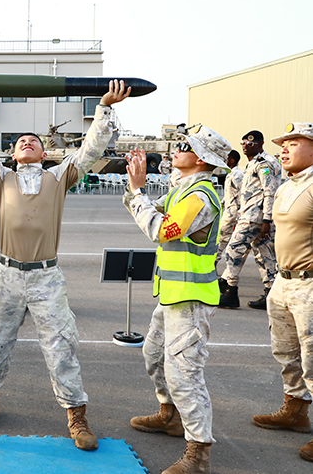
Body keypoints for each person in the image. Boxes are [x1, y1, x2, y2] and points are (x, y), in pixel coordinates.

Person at [0, 78, 130, 451]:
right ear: (13, 154)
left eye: (33, 141)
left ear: (45, 152)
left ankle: (76, 416)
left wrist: (104, 108)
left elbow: (90, 149)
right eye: (20, 142)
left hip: (46, 276)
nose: (27, 143)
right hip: (7, 276)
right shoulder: (1, 177)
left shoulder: (58, 176)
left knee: (61, 346)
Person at [123, 126, 231, 474]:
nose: (175, 150)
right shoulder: (183, 190)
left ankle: (198, 453)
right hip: (172, 296)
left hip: (191, 299)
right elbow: (147, 210)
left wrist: (138, 192)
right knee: (153, 355)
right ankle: (169, 415)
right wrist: (133, 188)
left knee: (185, 374)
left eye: (183, 147)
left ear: (200, 158)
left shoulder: (200, 196)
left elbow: (160, 229)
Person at [251, 122, 313, 463]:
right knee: (286, 353)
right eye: (283, 143)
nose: (284, 148)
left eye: (293, 141)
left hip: (310, 284)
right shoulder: (288, 185)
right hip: (284, 282)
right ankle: (295, 411)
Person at [219, 130, 280, 309]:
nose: (246, 147)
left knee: (233, 250)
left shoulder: (264, 164)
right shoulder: (253, 164)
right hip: (251, 216)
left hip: (256, 217)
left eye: (250, 144)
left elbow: (269, 192)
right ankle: (271, 294)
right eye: (243, 143)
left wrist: (267, 220)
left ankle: (230, 290)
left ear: (261, 144)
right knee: (264, 255)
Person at [216, 149, 243, 273]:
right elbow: (229, 195)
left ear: (232, 160)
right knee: (222, 241)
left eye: (225, 158)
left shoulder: (237, 175)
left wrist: (239, 218)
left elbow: (242, 195)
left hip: (233, 215)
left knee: (221, 241)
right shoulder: (230, 174)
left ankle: (213, 267)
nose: (223, 161)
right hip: (228, 212)